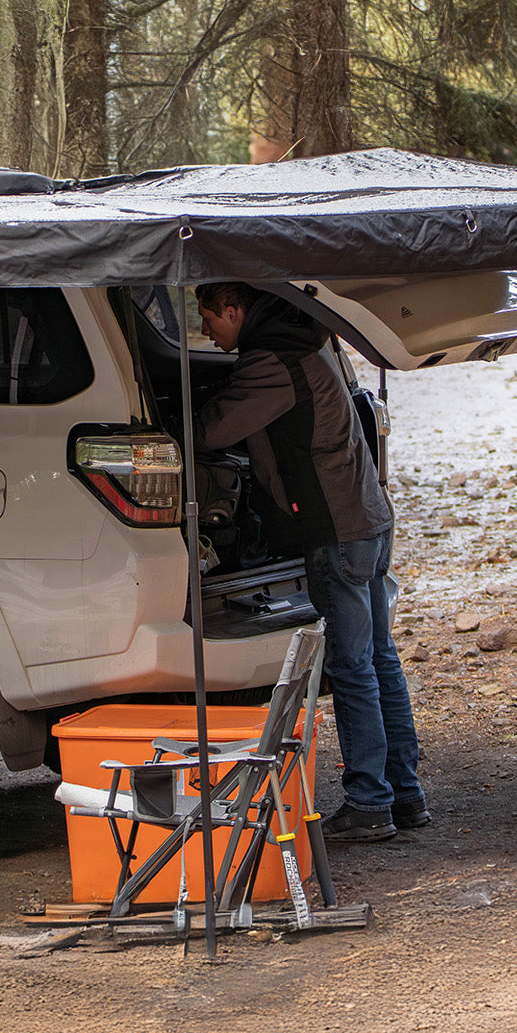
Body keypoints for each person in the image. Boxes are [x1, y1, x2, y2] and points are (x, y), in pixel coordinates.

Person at [193, 281, 428, 842]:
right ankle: (405, 795)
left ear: (233, 309)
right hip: (368, 515)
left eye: (207, 319)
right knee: (378, 659)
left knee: (351, 667)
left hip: (336, 529)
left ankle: (370, 802)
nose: (205, 332)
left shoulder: (271, 359)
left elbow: (211, 429)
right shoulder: (309, 336)